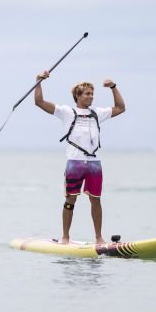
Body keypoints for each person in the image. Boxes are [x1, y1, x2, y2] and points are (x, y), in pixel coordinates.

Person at [34, 70, 125, 245]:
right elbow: (39, 102)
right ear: (78, 96)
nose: (91, 97)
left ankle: (99, 238)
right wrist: (39, 82)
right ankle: (65, 237)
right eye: (87, 94)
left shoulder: (97, 112)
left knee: (96, 200)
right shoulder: (66, 112)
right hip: (75, 163)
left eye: (92, 94)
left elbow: (121, 108)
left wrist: (113, 87)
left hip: (94, 164)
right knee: (70, 199)